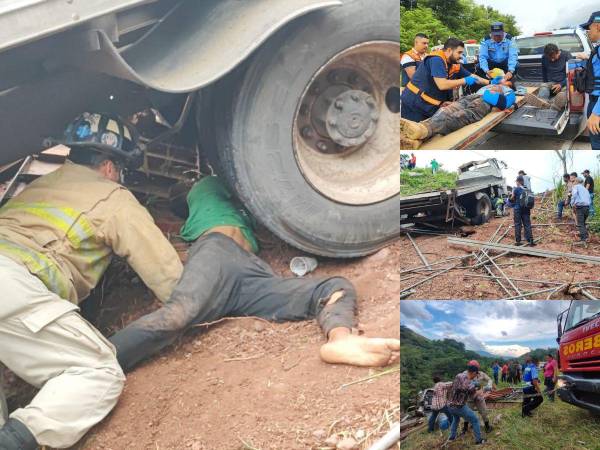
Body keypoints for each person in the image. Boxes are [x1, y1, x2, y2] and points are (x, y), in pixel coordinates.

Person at [0, 113, 185, 449]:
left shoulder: (39, 186)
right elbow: (168, 277)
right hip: (10, 281)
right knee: (97, 369)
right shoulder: (113, 197)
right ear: (111, 167)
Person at [109, 175, 400, 372]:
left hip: (249, 277)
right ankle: (101, 361)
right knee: (177, 315)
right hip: (217, 254)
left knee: (333, 285)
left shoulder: (224, 216)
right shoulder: (203, 189)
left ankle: (340, 339)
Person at [400, 83, 516, 149]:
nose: (502, 80)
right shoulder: (490, 84)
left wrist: (503, 101)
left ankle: (424, 130)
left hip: (485, 101)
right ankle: (420, 137)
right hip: (470, 97)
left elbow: (505, 103)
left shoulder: (508, 90)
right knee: (445, 110)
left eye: (506, 80)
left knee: (460, 116)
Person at [400, 38, 489, 122]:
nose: (461, 56)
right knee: (413, 133)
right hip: (414, 104)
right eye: (459, 52)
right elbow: (442, 85)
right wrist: (464, 80)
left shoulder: (454, 64)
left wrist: (490, 82)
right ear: (449, 50)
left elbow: (472, 76)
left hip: (429, 104)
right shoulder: (436, 59)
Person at [447, 363, 486, 445]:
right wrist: (481, 391)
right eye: (475, 375)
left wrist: (475, 384)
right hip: (459, 406)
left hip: (450, 405)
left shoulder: (459, 375)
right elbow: (474, 395)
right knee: (475, 420)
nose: (475, 377)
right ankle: (479, 440)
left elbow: (460, 387)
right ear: (474, 372)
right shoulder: (469, 383)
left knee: (456, 419)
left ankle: (452, 437)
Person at [524, 43, 571, 111]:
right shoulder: (544, 57)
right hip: (552, 83)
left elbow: (571, 75)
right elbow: (544, 73)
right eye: (550, 58)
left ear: (558, 52)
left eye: (554, 57)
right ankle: (542, 102)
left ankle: (554, 106)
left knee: (563, 94)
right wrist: (546, 85)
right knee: (544, 86)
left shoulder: (567, 55)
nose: (552, 60)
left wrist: (561, 84)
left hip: (565, 83)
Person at [579, 11, 600, 150]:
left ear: (597, 26)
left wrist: (596, 113)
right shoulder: (597, 49)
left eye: (589, 28)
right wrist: (588, 57)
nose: (587, 31)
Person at [461, 360, 494, 434]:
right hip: (469, 398)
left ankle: (487, 427)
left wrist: (489, 385)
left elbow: (489, 379)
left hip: (479, 397)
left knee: (484, 411)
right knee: (467, 413)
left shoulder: (481, 374)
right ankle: (465, 428)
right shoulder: (464, 374)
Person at [509, 175, 535, 246]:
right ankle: (530, 240)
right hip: (526, 209)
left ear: (518, 181)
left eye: (516, 182)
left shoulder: (516, 189)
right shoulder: (527, 189)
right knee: (527, 224)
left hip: (518, 209)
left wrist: (509, 198)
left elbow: (512, 199)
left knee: (518, 224)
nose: (516, 183)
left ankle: (518, 241)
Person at [571, 176, 591, 246]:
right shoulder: (585, 189)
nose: (573, 182)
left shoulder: (576, 187)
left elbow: (574, 195)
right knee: (583, 223)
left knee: (580, 224)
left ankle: (583, 240)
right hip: (587, 207)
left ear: (576, 181)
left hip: (580, 207)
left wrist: (572, 203)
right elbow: (589, 198)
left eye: (574, 181)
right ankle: (586, 237)